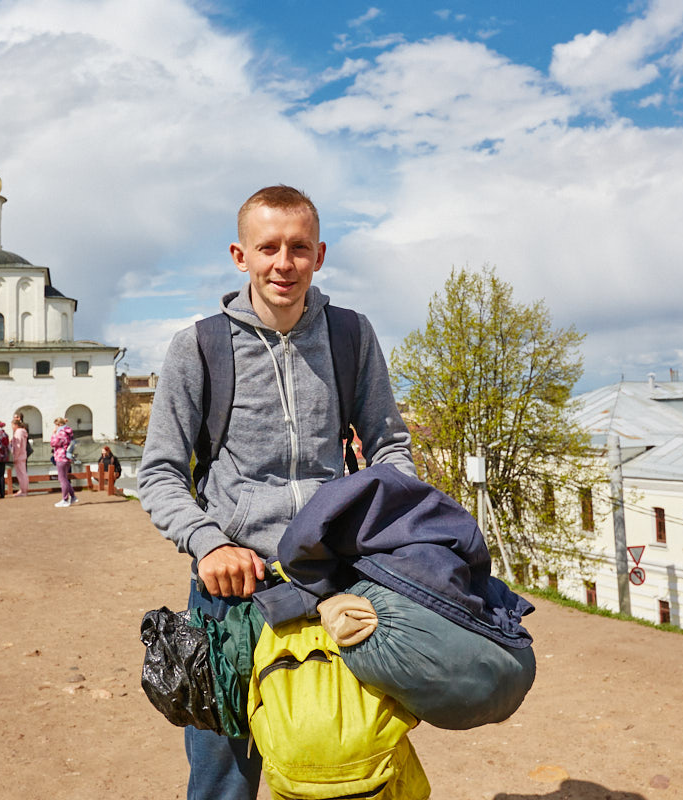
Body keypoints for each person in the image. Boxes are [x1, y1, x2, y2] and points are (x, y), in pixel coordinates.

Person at [137, 184, 415, 800]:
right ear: (241, 256)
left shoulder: (350, 336)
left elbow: (390, 447)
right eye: (268, 248)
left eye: (298, 247)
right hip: (232, 593)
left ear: (320, 254)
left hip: (333, 583)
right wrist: (209, 544)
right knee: (224, 781)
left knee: (343, 766)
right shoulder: (199, 347)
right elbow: (157, 473)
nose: (283, 263)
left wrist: (386, 525)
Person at [49, 417, 78, 507]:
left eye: (56, 425)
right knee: (64, 478)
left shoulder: (61, 433)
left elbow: (53, 443)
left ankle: (65, 499)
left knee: (62, 479)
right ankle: (73, 496)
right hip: (67, 457)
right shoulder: (68, 432)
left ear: (58, 425)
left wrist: (54, 433)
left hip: (61, 456)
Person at [10, 419, 30, 496]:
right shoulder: (23, 432)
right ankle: (23, 489)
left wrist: (15, 456)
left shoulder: (18, 432)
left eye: (12, 425)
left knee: (21, 474)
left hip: (19, 455)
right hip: (22, 454)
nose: (12, 427)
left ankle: (23, 491)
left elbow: (18, 445)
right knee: (23, 473)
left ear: (16, 425)